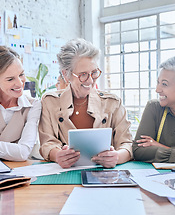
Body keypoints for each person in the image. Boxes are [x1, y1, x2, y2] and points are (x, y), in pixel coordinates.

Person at [39, 38, 132, 168]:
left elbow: (127, 143)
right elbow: (47, 143)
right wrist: (57, 155)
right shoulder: (50, 102)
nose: (90, 81)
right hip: (64, 174)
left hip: (105, 175)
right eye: (83, 75)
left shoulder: (113, 103)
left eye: (94, 73)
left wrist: (117, 156)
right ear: (66, 75)